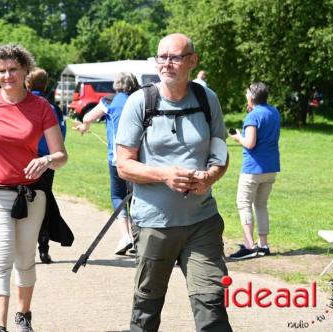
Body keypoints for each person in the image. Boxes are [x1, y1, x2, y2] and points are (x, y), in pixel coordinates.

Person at [115, 33, 232, 332]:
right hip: (154, 224)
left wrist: (211, 176)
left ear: (192, 60)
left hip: (201, 222)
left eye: (175, 57)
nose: (167, 63)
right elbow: (124, 165)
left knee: (212, 305)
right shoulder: (140, 102)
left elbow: (221, 151)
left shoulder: (207, 99)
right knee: (146, 310)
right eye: (162, 57)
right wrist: (165, 175)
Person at [0, 44, 67, 332]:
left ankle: (24, 315)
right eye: (1, 71)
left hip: (31, 195)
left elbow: (61, 156)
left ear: (25, 71)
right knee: (0, 259)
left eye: (13, 70)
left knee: (24, 259)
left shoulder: (41, 107)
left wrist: (46, 159)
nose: (7, 76)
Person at [74, 72, 140, 255]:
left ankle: (125, 236)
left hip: (117, 158)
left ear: (116, 85)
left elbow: (87, 117)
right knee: (137, 196)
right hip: (139, 158)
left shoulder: (109, 101)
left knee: (118, 195)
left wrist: (84, 126)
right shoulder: (139, 100)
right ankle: (138, 238)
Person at [228, 82, 280, 259]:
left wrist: (237, 137)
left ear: (251, 97)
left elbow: (250, 143)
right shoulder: (274, 112)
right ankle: (263, 245)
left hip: (253, 168)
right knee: (260, 205)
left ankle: (250, 247)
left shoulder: (252, 117)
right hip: (271, 167)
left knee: (243, 204)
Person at [25, 67, 67, 264]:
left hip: (26, 161)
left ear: (27, 83)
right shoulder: (53, 107)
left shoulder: (26, 105)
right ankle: (44, 248)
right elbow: (61, 136)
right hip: (48, 162)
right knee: (43, 202)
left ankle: (26, 247)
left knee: (24, 203)